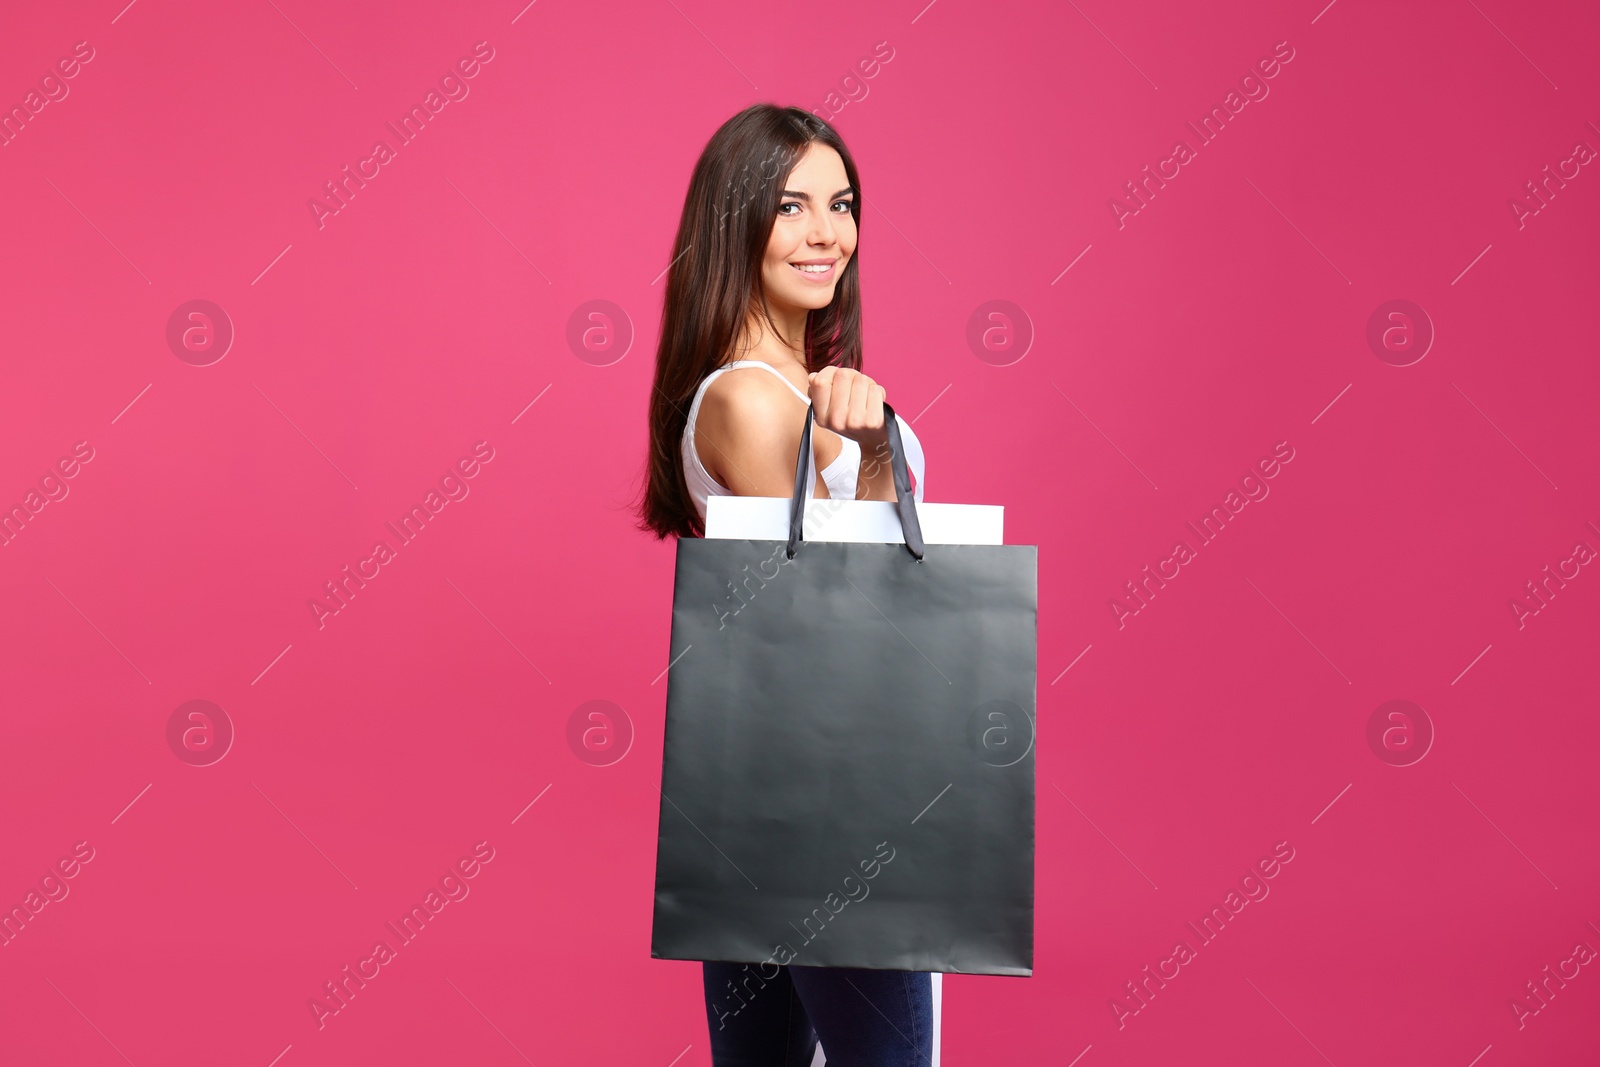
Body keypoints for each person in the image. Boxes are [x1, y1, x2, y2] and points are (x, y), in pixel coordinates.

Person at [635, 103, 934, 1066]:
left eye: (841, 204)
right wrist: (878, 458)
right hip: (841, 805)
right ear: (734, 222)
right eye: (791, 205)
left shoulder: (813, 389)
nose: (826, 233)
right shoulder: (750, 397)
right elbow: (855, 595)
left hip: (767, 803)